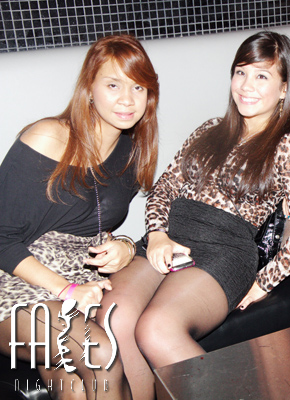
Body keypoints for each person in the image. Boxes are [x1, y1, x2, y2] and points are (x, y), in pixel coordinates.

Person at [121, 31, 290, 393]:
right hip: (171, 236)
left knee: (156, 328)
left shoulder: (286, 144)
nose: (246, 85)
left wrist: (263, 282)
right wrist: (157, 234)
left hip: (225, 249)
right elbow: (163, 189)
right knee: (115, 317)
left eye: (261, 76)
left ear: (284, 88)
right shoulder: (210, 129)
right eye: (240, 72)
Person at [0, 34, 159, 400]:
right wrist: (66, 289)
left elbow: (95, 222)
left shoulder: (131, 150)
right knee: (99, 353)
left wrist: (123, 246)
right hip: (17, 281)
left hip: (79, 280)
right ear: (90, 88)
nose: (127, 99)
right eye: (113, 85)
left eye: (138, 87)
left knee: (74, 386)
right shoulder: (48, 138)